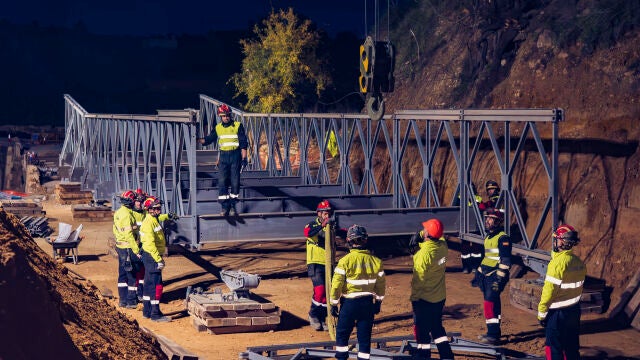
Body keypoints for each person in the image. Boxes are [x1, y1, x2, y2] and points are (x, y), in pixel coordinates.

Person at [330, 224, 385, 360]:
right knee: (365, 338)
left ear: (349, 241)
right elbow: (381, 285)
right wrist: (378, 302)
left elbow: (336, 285)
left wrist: (333, 303)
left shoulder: (344, 261)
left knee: (342, 334)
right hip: (367, 304)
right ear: (365, 240)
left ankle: (342, 357)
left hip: (349, 304)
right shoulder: (376, 262)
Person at [408, 219, 455, 360]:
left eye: (425, 229)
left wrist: (414, 298)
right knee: (436, 326)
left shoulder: (423, 255)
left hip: (424, 298)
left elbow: (419, 280)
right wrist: (422, 234)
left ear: (428, 234)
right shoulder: (443, 246)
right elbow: (437, 236)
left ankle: (423, 355)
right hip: (439, 297)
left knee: (422, 330)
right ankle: (446, 355)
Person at [538, 225, 586, 360]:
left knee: (554, 348)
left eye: (556, 239)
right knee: (571, 346)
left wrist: (541, 314)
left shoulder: (557, 264)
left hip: (557, 314)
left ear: (562, 242)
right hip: (574, 311)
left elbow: (549, 292)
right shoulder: (578, 262)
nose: (554, 242)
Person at [197, 104, 248, 216]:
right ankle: (225, 207)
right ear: (220, 116)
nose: (226, 117)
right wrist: (197, 139)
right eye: (223, 116)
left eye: (227, 115)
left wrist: (244, 158)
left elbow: (243, 143)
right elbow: (208, 139)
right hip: (224, 157)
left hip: (235, 156)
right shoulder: (218, 127)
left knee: (235, 183)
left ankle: (233, 207)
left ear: (230, 115)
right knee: (222, 182)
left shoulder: (238, 126)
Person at [303, 199, 347, 331]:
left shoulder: (332, 228)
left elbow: (344, 234)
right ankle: (314, 315)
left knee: (328, 293)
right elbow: (307, 233)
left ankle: (323, 318)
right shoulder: (312, 225)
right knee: (320, 290)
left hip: (329, 263)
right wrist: (322, 226)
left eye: (328, 213)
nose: (326, 215)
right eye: (324, 213)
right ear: (319, 214)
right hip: (315, 263)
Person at [474, 208, 512, 344]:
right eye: (487, 218)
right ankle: (493, 332)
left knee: (489, 303)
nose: (487, 221)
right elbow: (488, 257)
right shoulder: (488, 236)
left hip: (495, 276)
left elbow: (505, 261)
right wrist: (478, 273)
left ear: (498, 222)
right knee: (493, 302)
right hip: (486, 275)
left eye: (491, 219)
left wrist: (499, 279)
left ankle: (493, 334)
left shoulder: (503, 238)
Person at [139, 196, 177, 322]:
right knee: (157, 285)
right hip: (152, 256)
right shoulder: (149, 223)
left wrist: (168, 216)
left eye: (159, 208)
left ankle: (147, 311)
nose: (159, 211)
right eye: (156, 208)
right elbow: (150, 244)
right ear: (149, 210)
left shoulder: (151, 219)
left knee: (149, 283)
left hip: (149, 255)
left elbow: (159, 218)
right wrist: (158, 260)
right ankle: (155, 314)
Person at [112, 190, 142, 309]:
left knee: (122, 274)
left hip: (120, 246)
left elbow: (115, 229)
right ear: (130, 202)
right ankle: (131, 301)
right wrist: (136, 250)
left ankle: (123, 300)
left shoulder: (118, 212)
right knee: (132, 274)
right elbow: (129, 234)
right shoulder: (127, 215)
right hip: (128, 248)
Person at [455, 183, 483, 274]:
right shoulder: (459, 198)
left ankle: (475, 266)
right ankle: (466, 267)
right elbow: (455, 210)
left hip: (475, 226)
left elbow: (482, 210)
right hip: (464, 226)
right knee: (465, 249)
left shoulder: (478, 198)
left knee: (476, 249)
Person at [132, 188, 148, 301]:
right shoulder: (131, 213)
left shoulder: (145, 213)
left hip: (144, 244)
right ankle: (135, 291)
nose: (139, 203)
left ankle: (141, 291)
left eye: (141, 201)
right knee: (134, 269)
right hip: (134, 245)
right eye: (137, 201)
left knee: (143, 269)